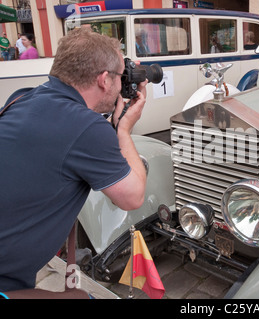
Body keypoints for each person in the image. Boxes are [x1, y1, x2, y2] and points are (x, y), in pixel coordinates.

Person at [0, 27, 148, 292]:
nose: (120, 84)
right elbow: (133, 197)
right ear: (104, 79)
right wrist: (123, 129)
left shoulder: (21, 98)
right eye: (119, 77)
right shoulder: (86, 127)